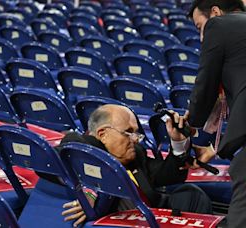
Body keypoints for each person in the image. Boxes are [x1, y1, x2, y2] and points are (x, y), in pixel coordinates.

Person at [60, 105, 212, 227]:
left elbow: (166, 175)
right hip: (127, 219)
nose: (136, 139)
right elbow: (72, 143)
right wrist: (92, 187)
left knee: (192, 194)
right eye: (128, 132)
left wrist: (178, 143)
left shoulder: (136, 153)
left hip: (151, 211)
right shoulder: (82, 148)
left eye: (137, 133)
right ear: (102, 134)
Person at [187, 0, 246, 227]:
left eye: (200, 27)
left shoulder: (219, 25)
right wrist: (213, 149)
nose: (202, 37)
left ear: (215, 12)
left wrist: (189, 123)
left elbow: (205, 86)